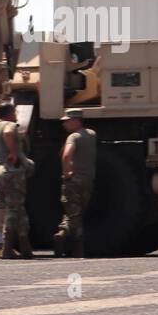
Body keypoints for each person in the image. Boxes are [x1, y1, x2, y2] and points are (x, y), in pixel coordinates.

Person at [0, 101, 32, 259]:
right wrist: (13, 152)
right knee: (13, 210)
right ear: (11, 113)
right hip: (10, 171)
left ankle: (25, 248)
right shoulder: (9, 125)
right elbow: (7, 133)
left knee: (18, 209)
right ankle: (7, 248)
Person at [53, 109, 97, 257]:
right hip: (87, 180)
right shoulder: (92, 135)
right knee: (76, 212)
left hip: (73, 182)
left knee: (74, 214)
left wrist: (67, 173)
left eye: (67, 121)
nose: (64, 124)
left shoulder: (73, 137)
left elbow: (66, 156)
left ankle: (75, 245)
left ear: (76, 120)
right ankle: (63, 231)